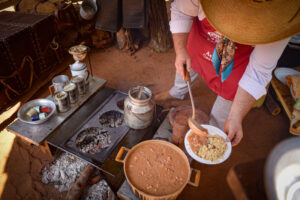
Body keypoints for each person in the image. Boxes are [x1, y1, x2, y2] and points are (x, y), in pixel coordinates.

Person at [159, 0, 300, 146]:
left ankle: (211, 135)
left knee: (223, 118)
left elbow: (258, 73)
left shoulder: (283, 23)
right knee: (188, 63)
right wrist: (181, 50)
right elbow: (181, 11)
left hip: (238, 63)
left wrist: (235, 116)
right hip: (201, 42)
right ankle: (178, 91)